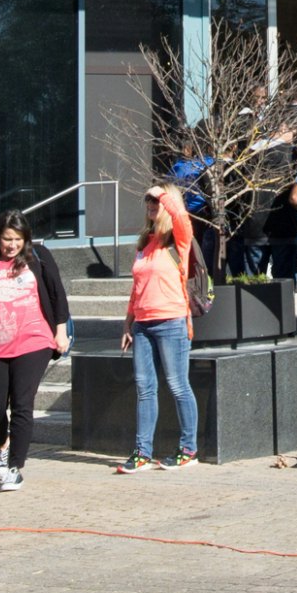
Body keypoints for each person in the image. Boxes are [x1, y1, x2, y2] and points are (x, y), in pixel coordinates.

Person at [0, 210, 67, 492]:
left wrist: (60, 331)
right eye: (7, 239)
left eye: (18, 239)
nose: (12, 245)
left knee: (22, 403)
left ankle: (14, 467)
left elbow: (57, 294)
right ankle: (3, 445)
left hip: (34, 341)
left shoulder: (38, 257)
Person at [116, 187, 204, 470]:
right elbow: (137, 288)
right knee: (144, 388)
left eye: (157, 202)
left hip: (172, 321)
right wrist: (128, 322)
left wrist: (164, 194)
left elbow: (181, 217)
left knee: (178, 385)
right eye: (149, 201)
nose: (152, 205)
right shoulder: (145, 242)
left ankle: (188, 450)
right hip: (143, 324)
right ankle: (142, 452)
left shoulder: (179, 241)